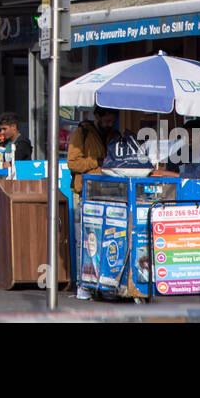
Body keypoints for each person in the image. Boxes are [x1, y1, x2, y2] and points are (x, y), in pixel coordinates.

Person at [67, 106, 117, 300]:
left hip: (109, 192)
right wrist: (97, 161)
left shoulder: (114, 134)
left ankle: (103, 283)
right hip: (85, 192)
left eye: (111, 121)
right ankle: (83, 284)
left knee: (105, 240)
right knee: (85, 241)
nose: (109, 125)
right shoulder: (82, 133)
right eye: (106, 121)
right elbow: (73, 163)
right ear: (97, 116)